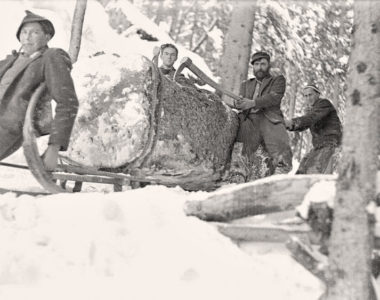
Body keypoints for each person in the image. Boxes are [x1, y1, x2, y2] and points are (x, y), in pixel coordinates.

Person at [0, 10, 79, 171]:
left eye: (35, 32)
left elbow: (68, 102)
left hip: (9, 126)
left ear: (47, 37)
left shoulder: (50, 57)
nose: (27, 37)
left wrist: (54, 147)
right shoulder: (11, 60)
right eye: (24, 32)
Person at [233, 51, 293, 175]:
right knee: (240, 151)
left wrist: (253, 103)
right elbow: (240, 102)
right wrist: (237, 103)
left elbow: (274, 97)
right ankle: (238, 172)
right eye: (256, 64)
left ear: (268, 65)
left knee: (280, 147)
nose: (259, 67)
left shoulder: (277, 80)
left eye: (263, 64)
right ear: (253, 67)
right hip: (248, 119)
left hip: (268, 118)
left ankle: (280, 171)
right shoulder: (246, 84)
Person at [285, 84, 342, 174]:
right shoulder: (312, 110)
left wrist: (291, 123)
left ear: (317, 94)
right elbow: (305, 124)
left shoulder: (323, 104)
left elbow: (311, 118)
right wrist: (289, 126)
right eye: (305, 96)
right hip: (318, 145)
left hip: (328, 142)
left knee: (312, 171)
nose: (308, 98)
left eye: (310, 95)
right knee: (301, 171)